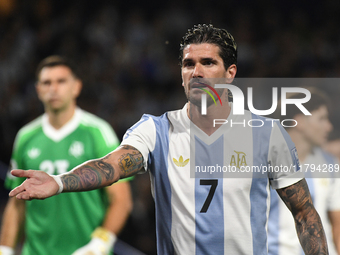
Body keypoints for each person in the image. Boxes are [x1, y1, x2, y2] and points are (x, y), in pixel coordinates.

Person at [8, 24, 328, 255]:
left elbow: (303, 211)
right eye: (189, 64)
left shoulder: (266, 133)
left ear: (230, 73)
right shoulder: (156, 130)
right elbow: (114, 164)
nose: (196, 72)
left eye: (208, 63)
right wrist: (61, 182)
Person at [0, 56, 133, 255]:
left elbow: (121, 200)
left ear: (76, 87)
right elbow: (16, 202)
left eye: (61, 81)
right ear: (38, 89)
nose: (53, 88)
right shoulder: (25, 137)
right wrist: (5, 249)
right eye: (47, 82)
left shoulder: (97, 133)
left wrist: (99, 245)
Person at [268, 88, 340, 255]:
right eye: (321, 118)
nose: (329, 126)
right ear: (298, 121)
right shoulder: (262, 164)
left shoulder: (330, 164)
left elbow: (337, 224)